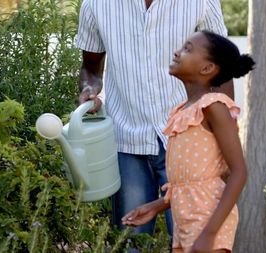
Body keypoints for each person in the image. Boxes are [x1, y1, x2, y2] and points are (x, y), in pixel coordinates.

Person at [76, 0, 233, 238]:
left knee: (190, 237)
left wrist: (224, 137)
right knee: (131, 241)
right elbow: (91, 67)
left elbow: (222, 70)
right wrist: (89, 90)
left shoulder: (201, 2)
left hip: (189, 144)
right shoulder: (96, 5)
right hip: (126, 141)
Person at [122, 31, 254, 253]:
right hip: (186, 217)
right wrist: (157, 206)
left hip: (207, 219)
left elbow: (238, 172)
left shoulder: (213, 106)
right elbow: (190, 178)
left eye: (188, 49)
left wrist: (209, 234)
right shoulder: (182, 111)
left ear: (207, 68)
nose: (177, 52)